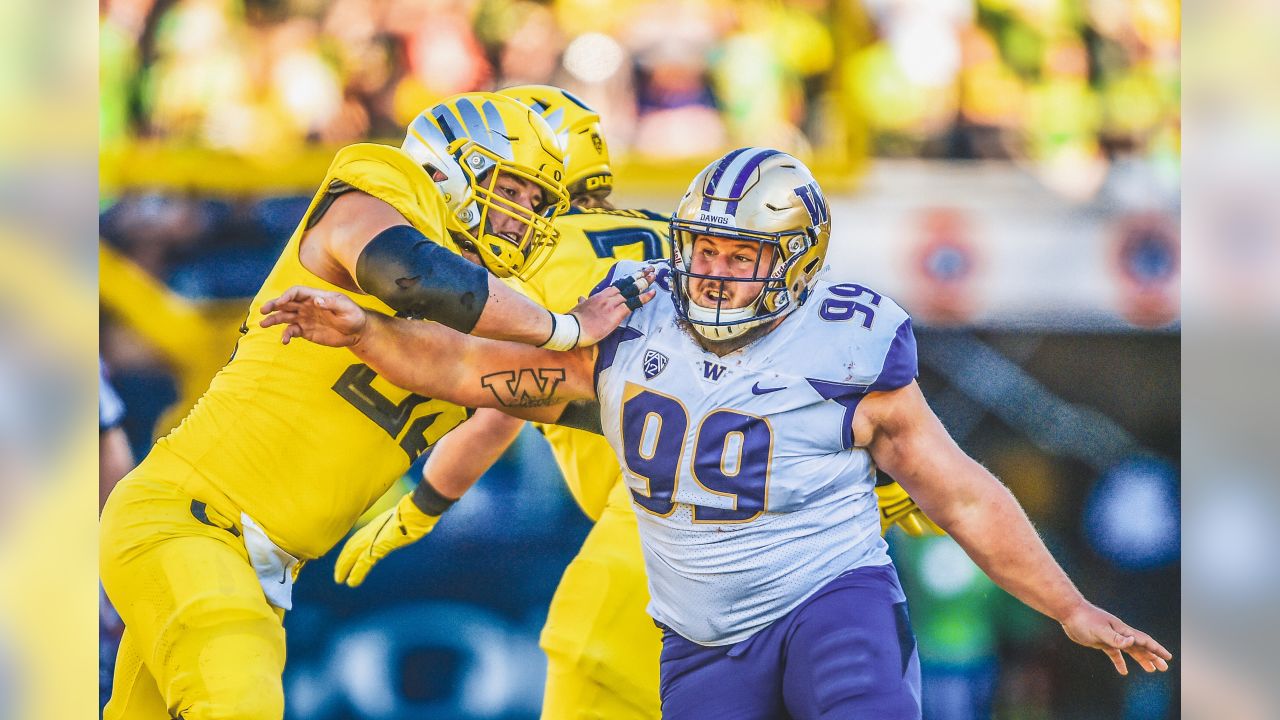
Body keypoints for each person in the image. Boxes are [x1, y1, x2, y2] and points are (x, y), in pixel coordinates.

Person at [261, 148, 1172, 718]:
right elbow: (472, 375)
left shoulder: (848, 344)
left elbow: (965, 490)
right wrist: (368, 335)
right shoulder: (635, 318)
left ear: (797, 262)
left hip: (826, 598)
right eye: (705, 249)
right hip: (698, 629)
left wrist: (1066, 606)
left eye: (742, 258)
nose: (716, 275)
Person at [336, 87, 941, 720]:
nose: (514, 207)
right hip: (786, 517)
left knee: (589, 663)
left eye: (522, 187)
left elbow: (488, 395)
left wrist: (422, 505)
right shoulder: (681, 243)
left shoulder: (532, 256)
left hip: (678, 523)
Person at [98, 91, 650, 720]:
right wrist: (565, 327)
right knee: (240, 703)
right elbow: (411, 274)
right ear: (454, 167)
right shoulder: (382, 183)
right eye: (515, 191)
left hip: (255, 565)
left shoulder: (492, 325)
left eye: (539, 204)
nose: (525, 216)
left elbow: (539, 388)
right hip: (190, 521)